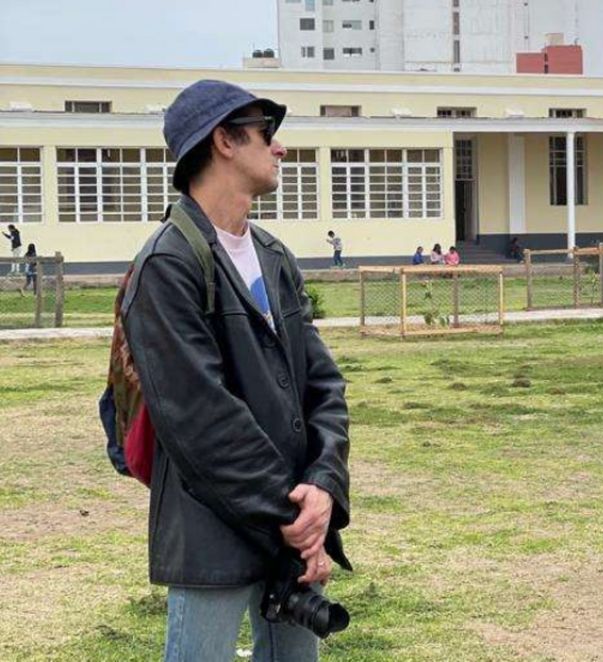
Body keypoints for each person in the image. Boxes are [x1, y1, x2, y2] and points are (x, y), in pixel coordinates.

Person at [121, 80, 351, 662]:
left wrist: (323, 488)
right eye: (265, 133)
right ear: (224, 139)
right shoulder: (166, 267)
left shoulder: (273, 256)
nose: (280, 149)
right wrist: (295, 519)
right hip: (212, 534)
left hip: (296, 523)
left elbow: (322, 384)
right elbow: (201, 421)